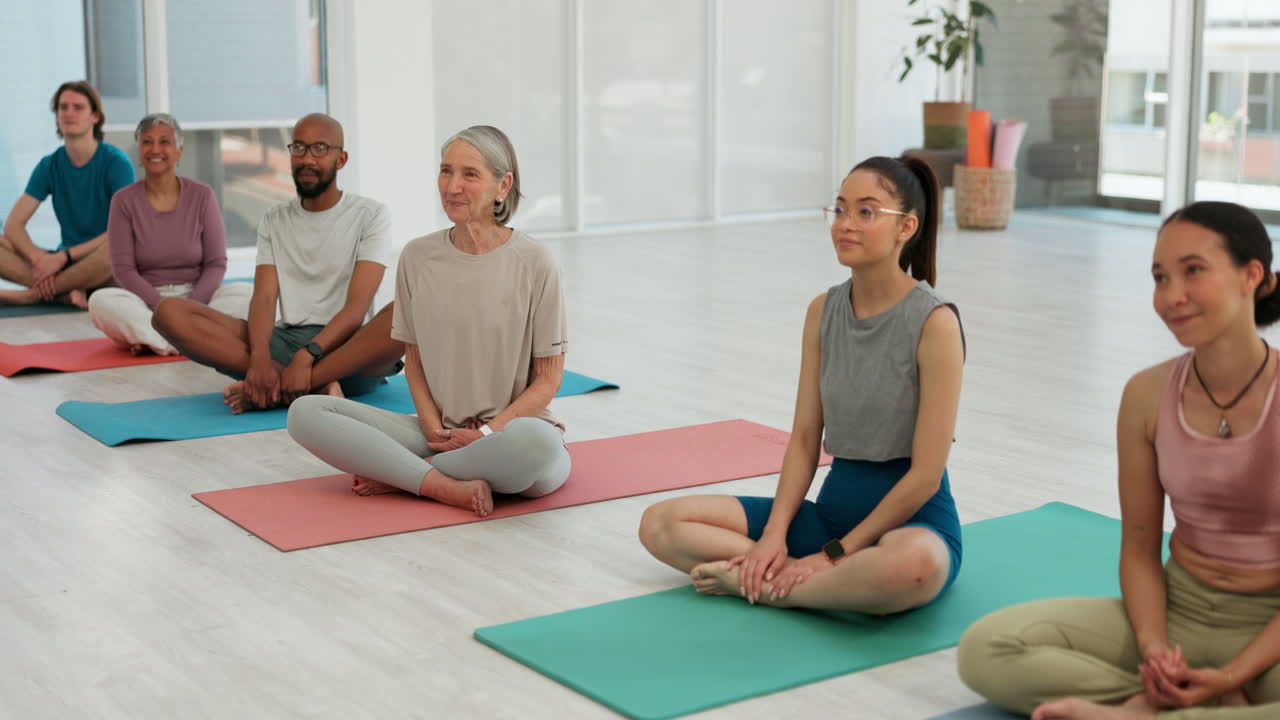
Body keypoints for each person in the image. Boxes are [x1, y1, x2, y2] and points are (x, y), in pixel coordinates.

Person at [956, 201, 1280, 720]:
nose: (1171, 297)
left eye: (1193, 271)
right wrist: (1154, 652)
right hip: (1181, 611)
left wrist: (1234, 674)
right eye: (1159, 277)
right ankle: (1180, 700)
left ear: (1252, 275)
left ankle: (1147, 712)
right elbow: (1138, 547)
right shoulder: (1147, 394)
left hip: (1272, 630)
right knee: (986, 650)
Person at [637, 156, 965, 615]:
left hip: (910, 526)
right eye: (839, 209)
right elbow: (805, 439)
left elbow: (927, 475)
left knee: (913, 567)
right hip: (829, 517)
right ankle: (799, 577)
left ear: (906, 227)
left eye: (866, 212)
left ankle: (773, 588)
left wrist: (835, 554)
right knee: (661, 524)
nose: (845, 224)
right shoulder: (822, 311)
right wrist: (772, 536)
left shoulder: (935, 322)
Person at [287, 125, 570, 518]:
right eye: (446, 171)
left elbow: (548, 379)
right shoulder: (417, 258)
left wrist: (487, 433)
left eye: (469, 174)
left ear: (502, 186)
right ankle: (443, 484)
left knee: (538, 445)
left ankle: (407, 476)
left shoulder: (536, 262)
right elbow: (414, 360)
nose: (452, 186)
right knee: (306, 414)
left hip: (511, 437)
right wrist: (431, 425)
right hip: (438, 435)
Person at [150, 113, 403, 411]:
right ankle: (305, 386)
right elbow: (265, 298)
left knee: (410, 310)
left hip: (349, 352)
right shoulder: (274, 219)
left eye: (320, 149)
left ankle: (286, 387)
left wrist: (306, 357)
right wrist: (259, 360)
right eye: (299, 148)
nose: (307, 158)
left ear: (342, 159)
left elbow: (356, 308)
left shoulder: (371, 215)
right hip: (284, 343)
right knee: (168, 312)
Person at [87, 113, 251, 355]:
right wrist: (163, 308)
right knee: (100, 301)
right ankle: (189, 341)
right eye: (147, 141)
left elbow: (216, 263)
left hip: (199, 300)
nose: (155, 149)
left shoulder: (202, 195)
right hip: (145, 303)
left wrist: (190, 307)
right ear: (140, 151)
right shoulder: (123, 201)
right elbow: (123, 270)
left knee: (248, 294)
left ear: (178, 152)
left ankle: (156, 341)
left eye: (164, 142)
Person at [0, 80, 134, 307]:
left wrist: (65, 256)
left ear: (95, 117)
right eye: (63, 107)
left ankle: (33, 295)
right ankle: (67, 290)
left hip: (101, 262)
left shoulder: (116, 163)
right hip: (65, 264)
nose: (69, 113)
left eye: (78, 107)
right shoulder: (50, 165)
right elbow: (13, 224)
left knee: (118, 246)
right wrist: (40, 259)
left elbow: (121, 229)